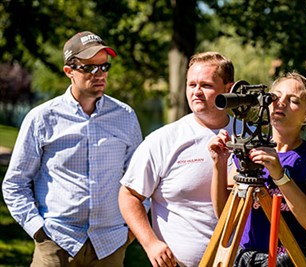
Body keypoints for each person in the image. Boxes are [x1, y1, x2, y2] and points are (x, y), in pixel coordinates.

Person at [2, 31, 144, 267]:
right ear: (69, 71)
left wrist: (129, 231)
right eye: (89, 68)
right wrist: (38, 230)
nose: (99, 74)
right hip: (56, 243)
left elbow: (140, 180)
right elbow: (15, 183)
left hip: (110, 245)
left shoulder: (125, 116)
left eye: (104, 67)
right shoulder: (42, 118)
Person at [118, 51, 243, 267]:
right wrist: (150, 244)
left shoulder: (249, 136)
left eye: (206, 85)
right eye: (191, 84)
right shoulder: (163, 140)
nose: (196, 92)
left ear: (228, 89)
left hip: (242, 262)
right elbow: (129, 195)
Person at [208, 72, 306, 266]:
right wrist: (219, 165)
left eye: (293, 100)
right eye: (275, 97)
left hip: (293, 260)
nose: (281, 103)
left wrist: (279, 176)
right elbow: (224, 216)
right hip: (247, 259)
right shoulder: (248, 155)